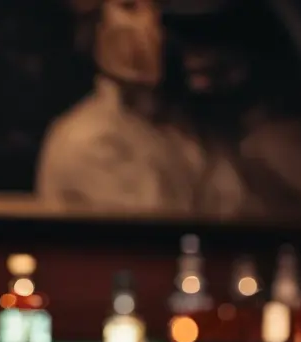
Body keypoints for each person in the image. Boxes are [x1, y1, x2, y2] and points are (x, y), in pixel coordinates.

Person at [35, 0, 246, 215]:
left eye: (159, 7)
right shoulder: (91, 138)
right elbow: (158, 237)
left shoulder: (195, 128)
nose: (151, 22)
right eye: (130, 7)